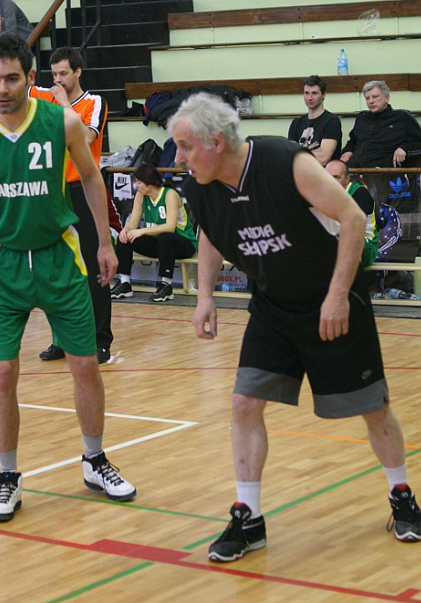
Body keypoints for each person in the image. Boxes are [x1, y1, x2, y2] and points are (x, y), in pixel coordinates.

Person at [168, 92, 421, 563]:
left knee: (373, 408)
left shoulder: (285, 162)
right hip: (273, 306)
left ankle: (402, 495)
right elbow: (211, 235)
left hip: (332, 301)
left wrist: (338, 295)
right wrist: (204, 296)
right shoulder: (200, 184)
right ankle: (249, 516)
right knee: (244, 403)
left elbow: (353, 218)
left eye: (185, 146)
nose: (178, 158)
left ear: (217, 142)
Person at [0, 35, 136, 523]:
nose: (2, 89)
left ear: (31, 78)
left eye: (11, 79)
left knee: (85, 366)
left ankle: (95, 460)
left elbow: (93, 177)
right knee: (2, 373)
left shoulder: (62, 121)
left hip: (59, 257)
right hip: (2, 265)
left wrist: (104, 244)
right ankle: (8, 477)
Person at [29, 46, 114, 365]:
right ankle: (61, 338)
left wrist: (64, 103)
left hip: (84, 191)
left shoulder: (94, 102)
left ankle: (100, 339)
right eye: (54, 74)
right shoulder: (44, 96)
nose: (58, 80)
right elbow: (10, 85)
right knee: (55, 270)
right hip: (52, 192)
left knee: (93, 267)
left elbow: (86, 138)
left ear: (78, 72)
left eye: (64, 73)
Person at [110, 162, 198, 303]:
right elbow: (133, 223)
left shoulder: (170, 195)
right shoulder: (141, 196)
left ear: (149, 183)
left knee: (166, 237)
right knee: (125, 237)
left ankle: (166, 285)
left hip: (184, 244)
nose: (136, 186)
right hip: (160, 244)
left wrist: (142, 231)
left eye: (139, 182)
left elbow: (170, 227)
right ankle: (124, 283)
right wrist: (126, 230)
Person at [340, 80, 421, 168]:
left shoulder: (402, 117)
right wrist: (348, 150)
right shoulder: (362, 117)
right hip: (356, 168)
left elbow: (419, 142)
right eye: (367, 98)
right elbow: (353, 141)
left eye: (375, 97)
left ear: (387, 98)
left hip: (385, 169)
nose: (371, 101)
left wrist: (405, 148)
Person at [325, 159, 379, 267]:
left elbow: (353, 227)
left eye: (336, 177)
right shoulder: (321, 193)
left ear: (347, 179)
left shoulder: (360, 193)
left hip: (365, 245)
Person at [287, 75, 342, 165]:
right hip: (300, 171)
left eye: (314, 93)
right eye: (306, 93)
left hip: (322, 172)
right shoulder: (296, 123)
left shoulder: (332, 121)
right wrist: (315, 151)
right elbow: (290, 155)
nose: (310, 98)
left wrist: (298, 153)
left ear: (323, 95)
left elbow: (323, 158)